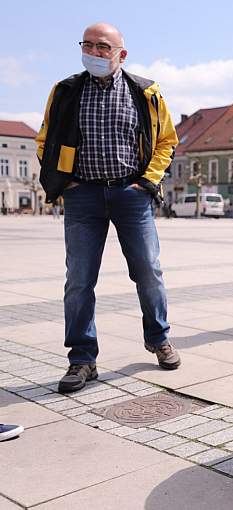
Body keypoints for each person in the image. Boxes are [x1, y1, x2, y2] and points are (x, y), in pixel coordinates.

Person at [35, 23, 180, 394]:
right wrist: (63, 180)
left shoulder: (145, 92)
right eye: (88, 45)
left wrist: (147, 183)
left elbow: (166, 141)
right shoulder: (66, 90)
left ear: (121, 54)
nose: (95, 53)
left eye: (103, 47)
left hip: (131, 195)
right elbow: (46, 139)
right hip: (82, 196)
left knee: (148, 270)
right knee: (79, 279)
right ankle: (82, 359)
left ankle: (158, 337)